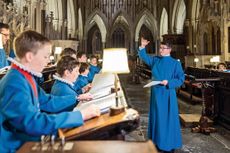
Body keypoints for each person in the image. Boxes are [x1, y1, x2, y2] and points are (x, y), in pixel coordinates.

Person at [0, 30, 100, 152]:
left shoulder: (24, 76)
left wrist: (76, 98)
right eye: (45, 56)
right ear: (30, 56)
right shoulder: (14, 82)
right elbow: (32, 123)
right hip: (14, 147)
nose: (48, 61)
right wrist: (80, 115)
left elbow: (47, 101)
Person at [138, 37, 184, 153]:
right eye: (160, 48)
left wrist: (169, 82)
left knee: (167, 119)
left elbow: (181, 79)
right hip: (156, 94)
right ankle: (156, 142)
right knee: (157, 118)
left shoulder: (175, 63)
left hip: (168, 94)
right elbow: (144, 57)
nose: (161, 50)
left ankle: (167, 144)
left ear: (169, 49)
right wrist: (143, 47)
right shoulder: (156, 60)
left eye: (163, 48)